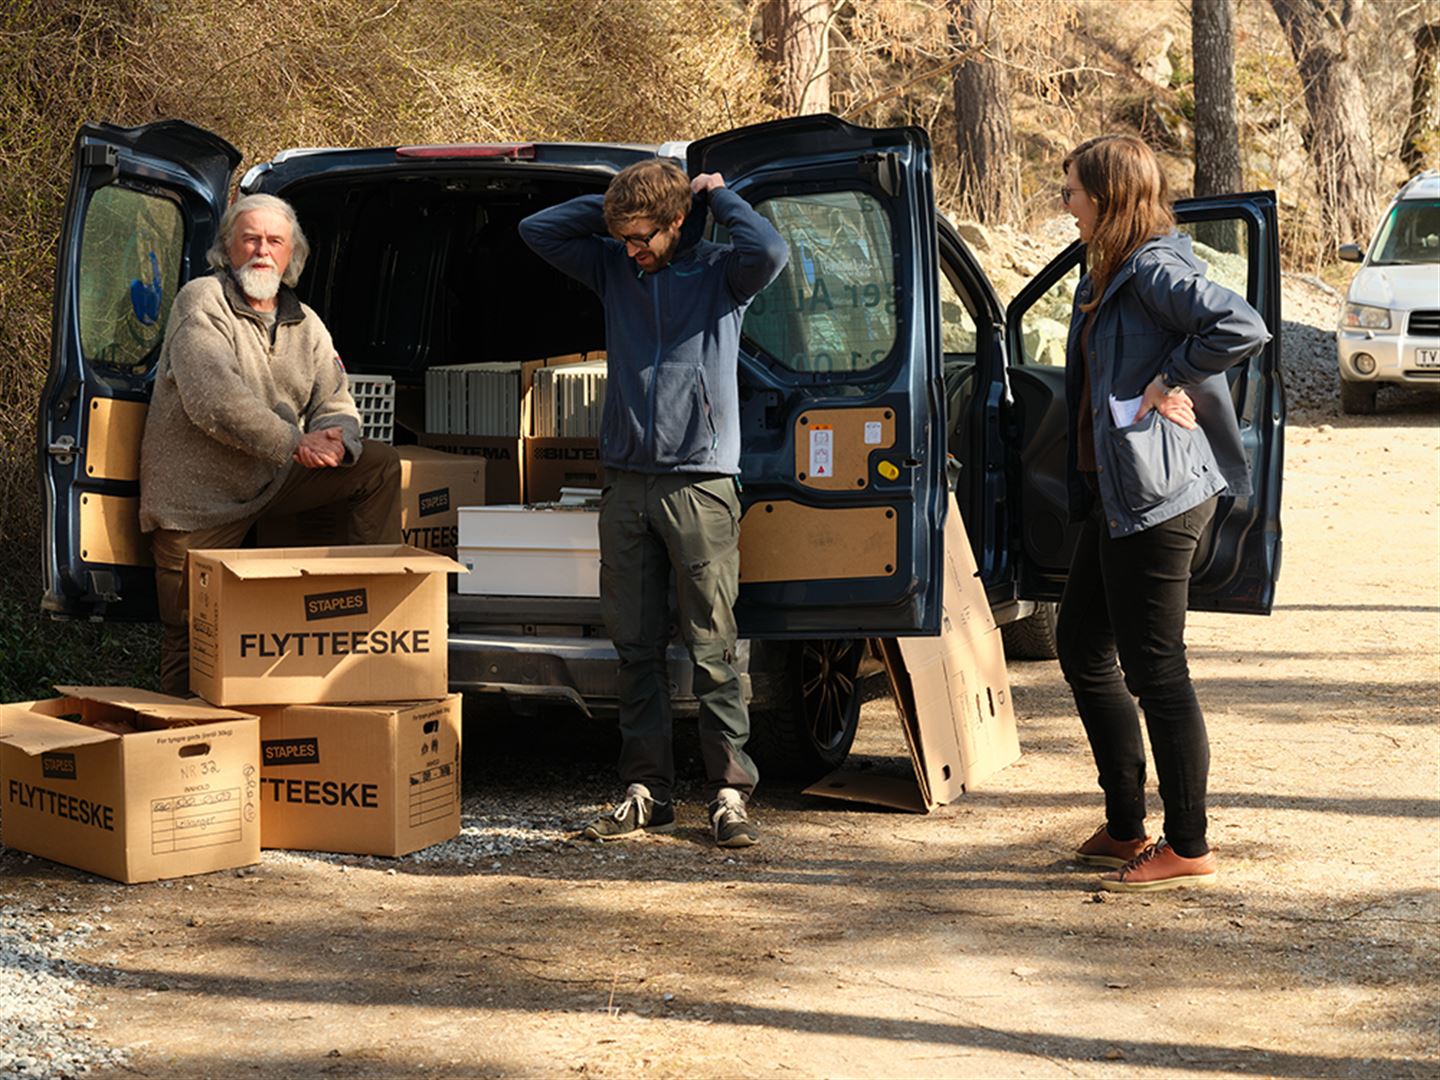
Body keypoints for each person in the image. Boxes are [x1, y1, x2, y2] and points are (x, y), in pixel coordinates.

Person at [519, 159, 788, 848]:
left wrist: (717, 196)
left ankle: (729, 793)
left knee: (713, 648)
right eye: (623, 237)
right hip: (627, 482)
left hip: (700, 482)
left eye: (644, 236)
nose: (632, 249)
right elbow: (537, 229)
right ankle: (648, 790)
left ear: (677, 223)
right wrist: (612, 205)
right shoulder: (614, 267)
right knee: (634, 647)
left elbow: (771, 249)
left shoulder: (723, 274)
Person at [1056, 135, 1269, 891]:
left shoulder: (1152, 265)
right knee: (1080, 642)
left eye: (1073, 191)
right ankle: (1124, 826)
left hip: (1159, 494)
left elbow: (1239, 325)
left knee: (1156, 667)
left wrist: (1168, 378)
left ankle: (1188, 842)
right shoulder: (1110, 270)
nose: (1067, 204)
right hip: (1123, 490)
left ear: (1107, 198)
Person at [139, 193, 401, 696]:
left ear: (292, 257)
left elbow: (338, 399)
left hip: (272, 479)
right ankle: (174, 744)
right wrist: (296, 441)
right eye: (250, 239)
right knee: (192, 634)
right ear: (227, 248)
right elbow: (215, 400)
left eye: (275, 241)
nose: (262, 250)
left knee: (377, 465)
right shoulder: (201, 300)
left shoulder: (307, 323)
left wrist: (338, 439)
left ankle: (364, 609)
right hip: (198, 503)